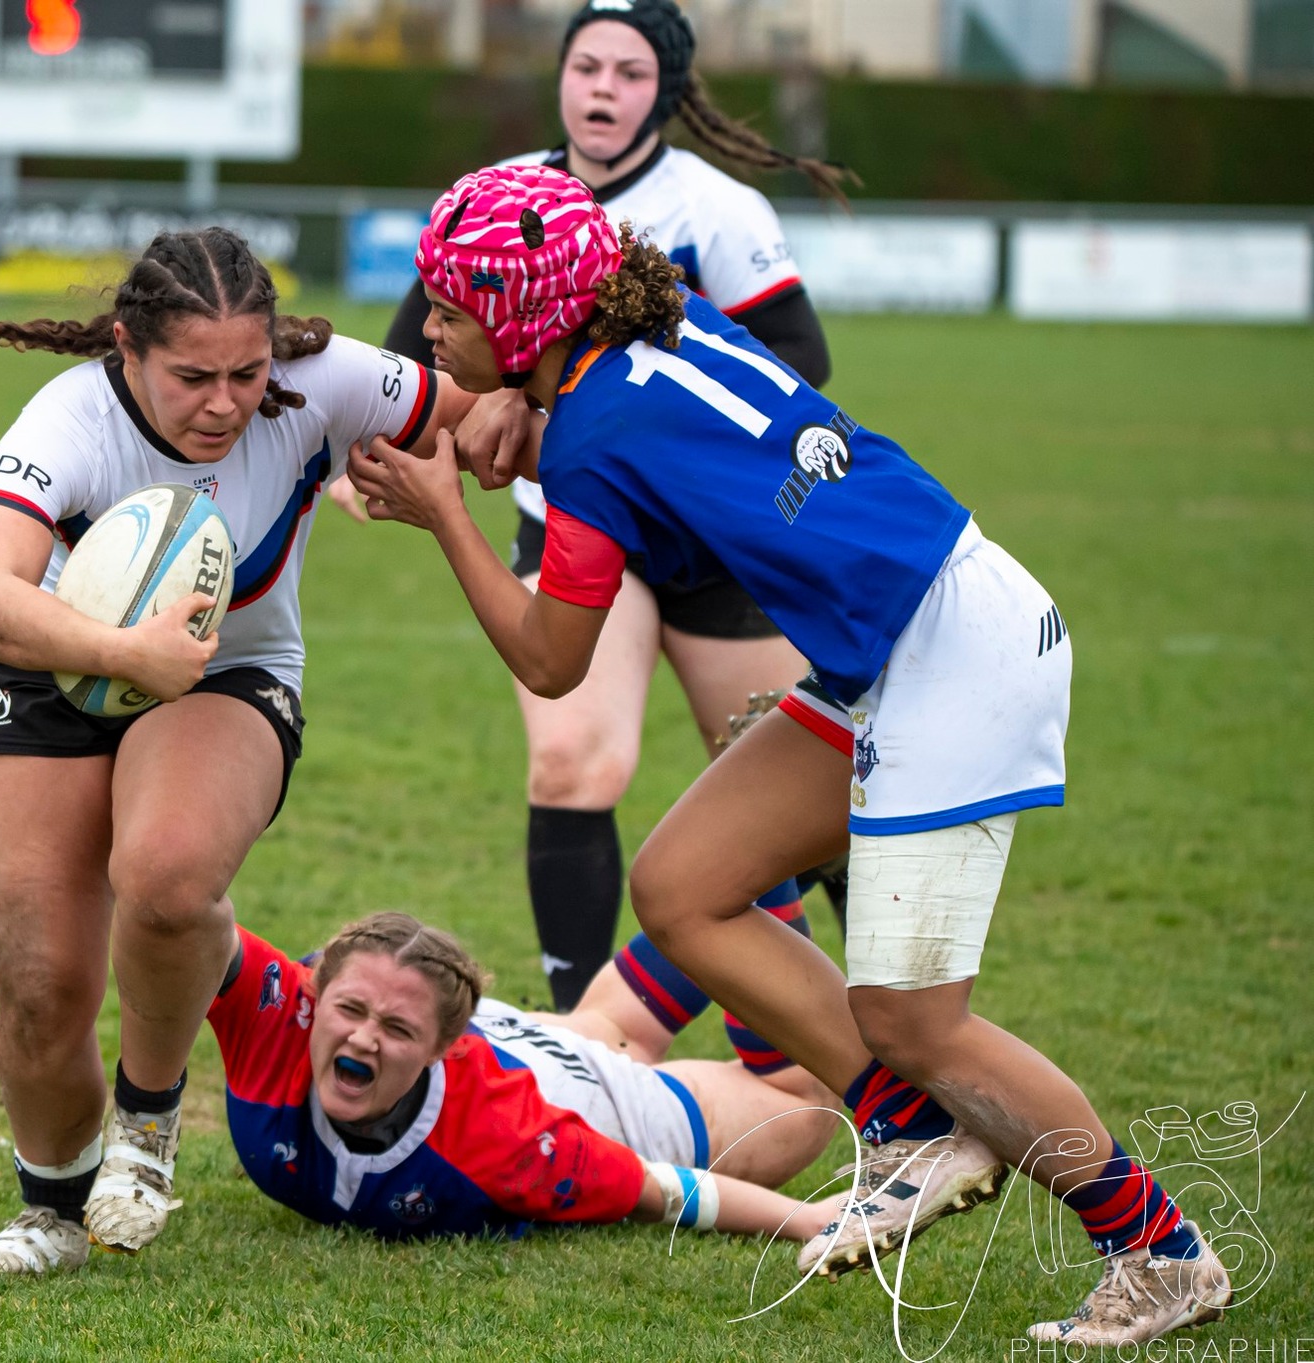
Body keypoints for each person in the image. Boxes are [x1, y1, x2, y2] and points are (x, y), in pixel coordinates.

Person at [344, 164, 1232, 1345]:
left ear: (525, 321)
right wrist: (518, 402)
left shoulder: (593, 428)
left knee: (918, 1023)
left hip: (946, 656)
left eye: (451, 309)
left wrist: (445, 513)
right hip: (909, 632)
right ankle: (907, 1126)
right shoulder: (644, 326)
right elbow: (635, 447)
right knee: (680, 886)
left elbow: (551, 661)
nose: (429, 327)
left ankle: (1159, 1251)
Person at [0, 228, 472, 1273]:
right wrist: (120, 650)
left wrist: (475, 465)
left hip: (231, 668)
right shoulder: (71, 419)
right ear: (128, 347)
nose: (225, 403)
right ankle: (55, 1210)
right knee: (41, 981)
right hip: (56, 661)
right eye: (192, 377)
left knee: (167, 875)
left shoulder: (325, 381)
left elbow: (492, 416)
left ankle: (145, 1126)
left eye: (247, 372)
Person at [355, 0, 855, 1021]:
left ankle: (884, 1015)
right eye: (586, 66)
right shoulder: (498, 199)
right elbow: (414, 350)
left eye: (629, 73)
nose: (601, 89)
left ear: (664, 92)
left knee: (797, 796)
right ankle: (582, 1043)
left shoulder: (714, 208)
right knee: (571, 760)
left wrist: (603, 409)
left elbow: (801, 360)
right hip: (575, 516)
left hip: (710, 542)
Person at [207, 912, 844, 1242]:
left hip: (629, 1104)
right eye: (349, 1009)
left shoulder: (507, 1141)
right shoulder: (282, 1011)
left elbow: (657, 1187)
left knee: (805, 1098)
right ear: (316, 990)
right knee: (707, 907)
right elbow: (186, 921)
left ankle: (782, 835)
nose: (363, 1038)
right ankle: (773, 841)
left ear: (442, 1049)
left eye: (396, 1028)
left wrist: (805, 1219)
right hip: (567, 1033)